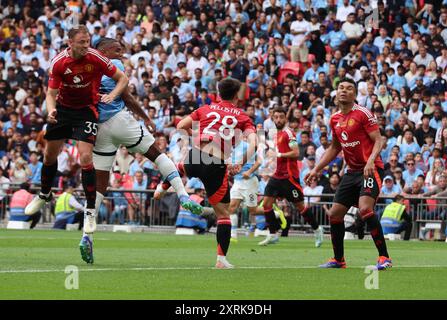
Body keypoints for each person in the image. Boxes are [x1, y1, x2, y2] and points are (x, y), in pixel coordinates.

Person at [80, 37, 202, 263]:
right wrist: (146, 118)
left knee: (100, 182)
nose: (121, 54)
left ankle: (87, 235)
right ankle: (183, 195)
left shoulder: (84, 68)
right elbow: (125, 97)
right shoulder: (113, 65)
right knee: (157, 154)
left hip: (96, 128)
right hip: (118, 120)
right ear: (103, 50)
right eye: (117, 50)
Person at [24, 26, 128, 243]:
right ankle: (44, 194)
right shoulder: (59, 62)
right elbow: (50, 93)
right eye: (82, 42)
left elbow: (122, 79)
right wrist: (51, 109)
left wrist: (113, 95)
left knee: (86, 158)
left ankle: (90, 212)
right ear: (70, 43)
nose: (86, 45)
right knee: (49, 157)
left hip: (86, 112)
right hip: (62, 110)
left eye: (88, 41)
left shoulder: (96, 57)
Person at [306, 78, 392, 270]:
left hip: (370, 169)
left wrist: (370, 160)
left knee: (365, 208)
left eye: (349, 88)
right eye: (341, 88)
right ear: (336, 92)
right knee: (335, 214)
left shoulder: (363, 114)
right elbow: (335, 148)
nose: (344, 91)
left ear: (354, 94)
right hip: (351, 172)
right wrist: (316, 169)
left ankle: (384, 257)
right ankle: (338, 260)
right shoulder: (335, 119)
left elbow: (378, 140)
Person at [176, 77, 257, 269]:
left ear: (219, 93)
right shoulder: (242, 117)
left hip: (196, 156)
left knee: (179, 168)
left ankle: (164, 190)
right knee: (224, 215)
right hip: (217, 163)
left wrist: (199, 138)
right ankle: (221, 260)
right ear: (237, 95)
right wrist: (239, 163)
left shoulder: (205, 109)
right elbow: (254, 143)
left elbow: (180, 126)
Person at [258, 107, 324, 247]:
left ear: (285, 118)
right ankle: (273, 234)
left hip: (289, 177)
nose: (278, 120)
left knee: (300, 207)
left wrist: (279, 155)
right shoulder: (276, 135)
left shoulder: (289, 133)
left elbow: (295, 153)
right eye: (275, 117)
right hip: (277, 176)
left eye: (281, 117)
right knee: (266, 204)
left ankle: (317, 229)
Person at [228, 137, 264, 243]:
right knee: (231, 207)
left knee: (253, 211)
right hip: (237, 182)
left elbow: (259, 161)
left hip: (250, 182)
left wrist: (249, 171)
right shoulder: (230, 149)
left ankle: (275, 213)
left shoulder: (246, 146)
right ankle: (233, 235)